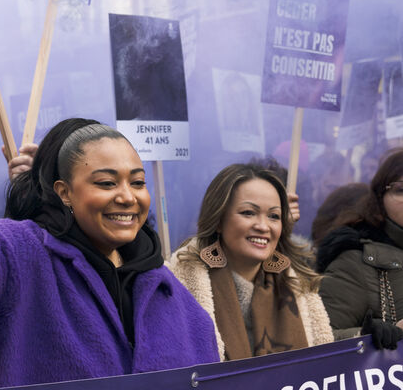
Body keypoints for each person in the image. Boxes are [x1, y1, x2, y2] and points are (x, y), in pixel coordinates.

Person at [0, 104, 219, 390]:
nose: (127, 196)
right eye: (106, 182)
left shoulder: (167, 289)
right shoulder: (15, 256)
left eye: (138, 182)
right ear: (64, 192)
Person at [169, 163, 333, 360]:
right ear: (219, 220)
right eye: (248, 213)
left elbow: (325, 361)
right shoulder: (177, 288)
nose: (263, 226)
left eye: (274, 216)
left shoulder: (299, 286)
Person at [318, 149, 403, 347]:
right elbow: (318, 339)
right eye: (401, 190)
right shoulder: (356, 260)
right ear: (380, 197)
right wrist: (367, 335)